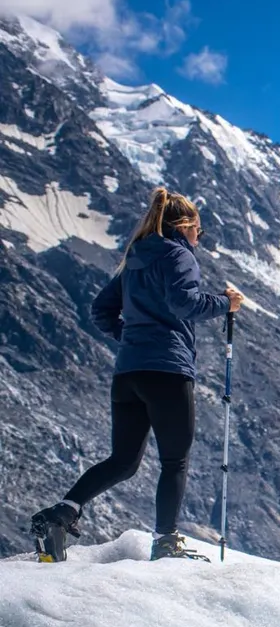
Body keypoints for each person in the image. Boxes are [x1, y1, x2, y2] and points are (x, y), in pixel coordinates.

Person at [28, 187, 243, 562]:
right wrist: (227, 303)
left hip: (128, 372)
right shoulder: (179, 255)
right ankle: (166, 542)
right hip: (167, 370)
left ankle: (62, 514)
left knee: (124, 461)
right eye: (199, 231)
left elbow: (100, 311)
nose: (200, 239)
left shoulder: (136, 259)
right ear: (186, 226)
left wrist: (129, 337)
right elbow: (184, 303)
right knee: (174, 460)